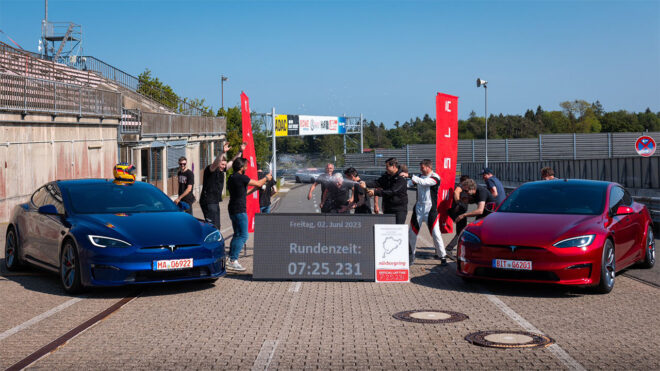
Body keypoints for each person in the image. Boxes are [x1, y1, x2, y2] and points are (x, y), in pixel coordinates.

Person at [226, 157, 273, 272]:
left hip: (232, 208)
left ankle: (230, 259)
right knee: (243, 235)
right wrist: (267, 177)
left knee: (237, 234)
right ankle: (233, 260)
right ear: (242, 168)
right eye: (246, 166)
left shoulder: (231, 178)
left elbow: (243, 193)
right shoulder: (242, 177)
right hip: (239, 210)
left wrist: (255, 189)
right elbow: (258, 182)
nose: (247, 168)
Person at [406, 160, 447, 265]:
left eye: (422, 167)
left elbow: (424, 182)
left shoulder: (435, 177)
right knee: (412, 233)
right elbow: (409, 184)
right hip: (418, 207)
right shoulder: (419, 176)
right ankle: (411, 256)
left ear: (429, 167)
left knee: (436, 233)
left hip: (430, 209)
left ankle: (442, 256)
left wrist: (410, 175)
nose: (421, 169)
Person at [199, 142, 246, 229]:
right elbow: (216, 163)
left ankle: (216, 239)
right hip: (208, 201)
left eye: (224, 165)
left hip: (215, 201)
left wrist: (240, 151)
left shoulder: (222, 170)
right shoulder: (211, 169)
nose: (223, 167)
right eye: (222, 164)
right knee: (213, 225)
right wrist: (222, 152)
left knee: (217, 225)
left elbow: (232, 162)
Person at [361, 157, 408, 224]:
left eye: (387, 166)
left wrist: (375, 192)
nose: (386, 168)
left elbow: (392, 191)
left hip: (399, 209)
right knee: (387, 230)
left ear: (394, 166)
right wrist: (365, 183)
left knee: (398, 230)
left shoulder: (401, 178)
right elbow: (377, 182)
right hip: (388, 208)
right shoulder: (386, 176)